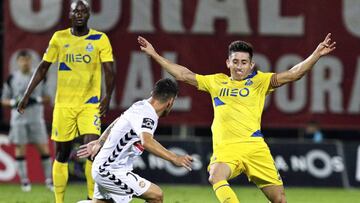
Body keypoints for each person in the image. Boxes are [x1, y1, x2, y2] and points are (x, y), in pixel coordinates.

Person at [137, 34, 336, 203]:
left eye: (243, 62)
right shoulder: (216, 82)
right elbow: (184, 74)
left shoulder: (260, 81)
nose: (239, 66)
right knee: (215, 176)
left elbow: (294, 74)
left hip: (255, 147)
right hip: (226, 149)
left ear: (251, 65)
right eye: (235, 61)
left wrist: (316, 54)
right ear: (228, 63)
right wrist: (155, 54)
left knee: (279, 199)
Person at [17, 0, 115, 202]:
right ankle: (59, 200)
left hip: (90, 104)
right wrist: (27, 94)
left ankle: (92, 198)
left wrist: (107, 96)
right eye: (75, 11)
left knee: (92, 151)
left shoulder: (100, 39)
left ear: (89, 15)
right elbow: (43, 67)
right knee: (62, 154)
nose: (79, 14)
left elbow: (109, 70)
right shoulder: (59, 38)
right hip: (64, 106)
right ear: (69, 15)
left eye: (83, 11)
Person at [77, 78, 193, 203]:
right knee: (156, 195)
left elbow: (118, 121)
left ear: (152, 93)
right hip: (110, 171)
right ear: (170, 102)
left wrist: (100, 141)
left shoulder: (140, 105)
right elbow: (147, 142)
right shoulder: (148, 114)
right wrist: (174, 158)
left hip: (107, 168)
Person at [1, 50, 53, 192]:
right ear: (18, 62)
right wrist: (13, 102)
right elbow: (3, 100)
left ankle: (49, 180)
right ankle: (24, 181)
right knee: (20, 148)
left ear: (31, 61)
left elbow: (49, 97)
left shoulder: (40, 76)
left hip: (36, 118)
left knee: (43, 147)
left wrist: (36, 99)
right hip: (18, 120)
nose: (25, 63)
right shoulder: (11, 78)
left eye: (27, 60)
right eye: (22, 60)